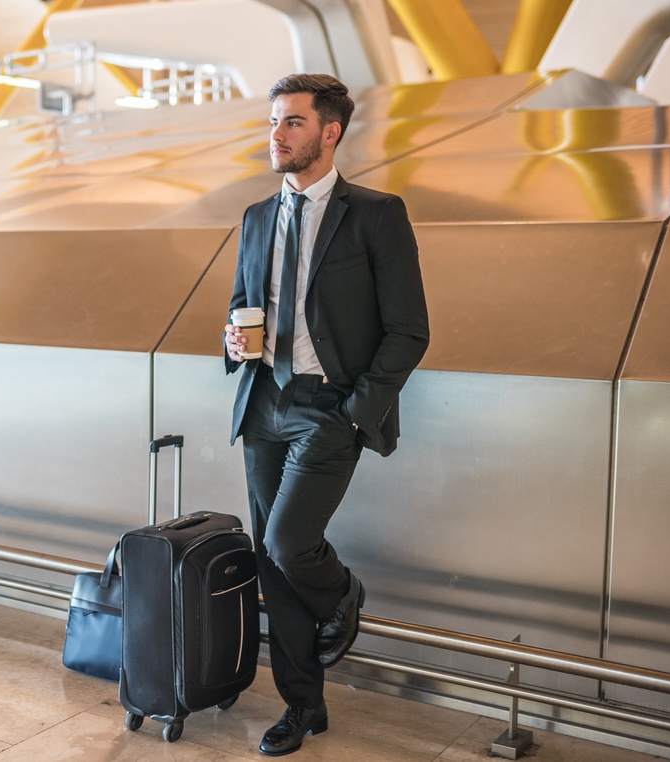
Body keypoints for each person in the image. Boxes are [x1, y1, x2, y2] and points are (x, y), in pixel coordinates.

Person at [223, 73, 430, 757]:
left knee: (289, 545)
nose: (275, 136)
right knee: (271, 563)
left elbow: (408, 330)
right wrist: (231, 340)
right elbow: (240, 307)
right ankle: (301, 705)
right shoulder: (255, 217)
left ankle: (343, 590)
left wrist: (352, 416)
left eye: (291, 123)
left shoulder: (375, 214)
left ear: (329, 131)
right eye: (272, 122)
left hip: (325, 408)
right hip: (263, 401)